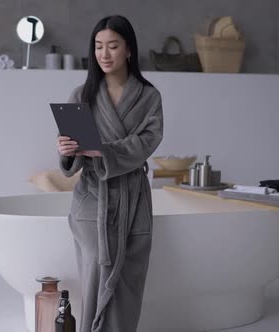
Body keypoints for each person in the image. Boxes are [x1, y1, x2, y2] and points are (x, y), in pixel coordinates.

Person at [56, 15, 163, 332]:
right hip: (92, 201)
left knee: (129, 283)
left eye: (112, 46)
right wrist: (66, 151)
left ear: (129, 50)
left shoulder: (149, 97)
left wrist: (104, 150)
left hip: (133, 203)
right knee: (94, 279)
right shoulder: (82, 95)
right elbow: (72, 163)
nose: (104, 54)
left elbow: (147, 143)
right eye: (98, 46)